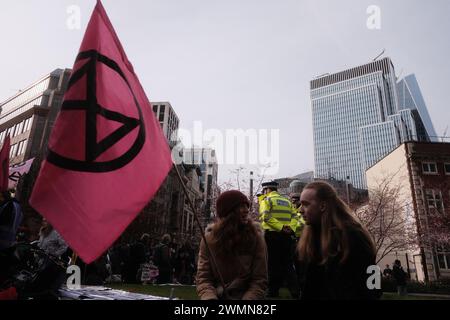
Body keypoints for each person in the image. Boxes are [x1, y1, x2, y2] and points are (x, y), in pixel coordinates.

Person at [297, 181, 381, 300]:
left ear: (322, 206)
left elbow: (373, 279)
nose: (300, 210)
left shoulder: (353, 235)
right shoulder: (310, 238)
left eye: (306, 204)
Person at [196, 190, 267, 300]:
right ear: (228, 212)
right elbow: (204, 279)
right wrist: (210, 298)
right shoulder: (208, 240)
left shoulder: (256, 238)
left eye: (247, 206)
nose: (247, 210)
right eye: (241, 206)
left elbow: (259, 280)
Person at [258, 181, 299, 298]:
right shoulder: (287, 201)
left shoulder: (266, 200)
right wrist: (290, 228)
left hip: (272, 236)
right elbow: (295, 216)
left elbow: (265, 217)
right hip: (287, 236)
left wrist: (280, 227)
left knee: (272, 264)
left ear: (267, 190)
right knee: (288, 264)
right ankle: (295, 291)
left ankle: (272, 291)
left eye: (264, 191)